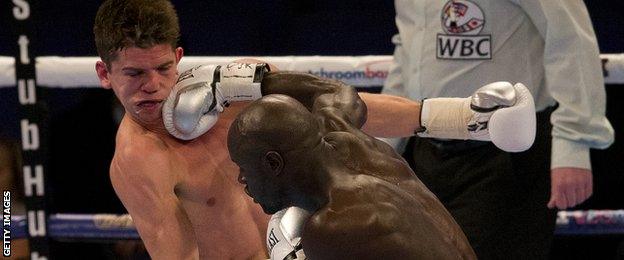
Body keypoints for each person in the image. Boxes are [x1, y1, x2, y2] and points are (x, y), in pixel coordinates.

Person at [382, 0, 615, 258]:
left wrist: (574, 144)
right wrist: (378, 148)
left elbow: (570, 40)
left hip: (508, 149)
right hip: (426, 149)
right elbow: (410, 59)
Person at [227, 80, 479, 259]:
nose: (241, 179)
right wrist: (241, 79)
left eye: (243, 168)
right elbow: (335, 91)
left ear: (273, 163)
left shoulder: (335, 226)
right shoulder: (348, 140)